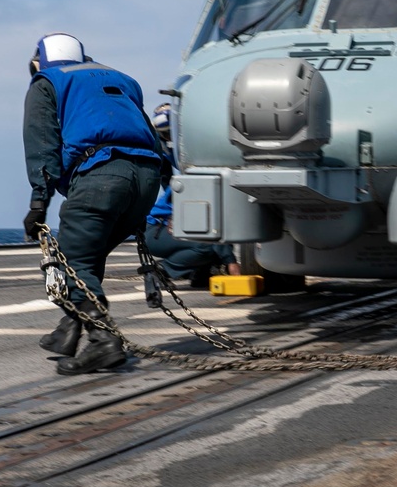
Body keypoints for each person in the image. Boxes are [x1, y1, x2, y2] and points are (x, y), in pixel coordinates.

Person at [23, 32, 165, 375]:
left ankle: (103, 342)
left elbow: (42, 143)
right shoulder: (123, 80)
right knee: (90, 253)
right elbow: (147, 131)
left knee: (72, 260)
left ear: (38, 60)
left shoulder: (47, 81)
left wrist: (39, 202)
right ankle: (68, 330)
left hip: (102, 176)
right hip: (147, 179)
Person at [143, 103, 242, 286]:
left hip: (162, 227)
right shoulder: (197, 182)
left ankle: (199, 275)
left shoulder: (191, 176)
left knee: (206, 241)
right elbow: (214, 231)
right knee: (205, 244)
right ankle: (163, 270)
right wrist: (232, 264)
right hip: (157, 231)